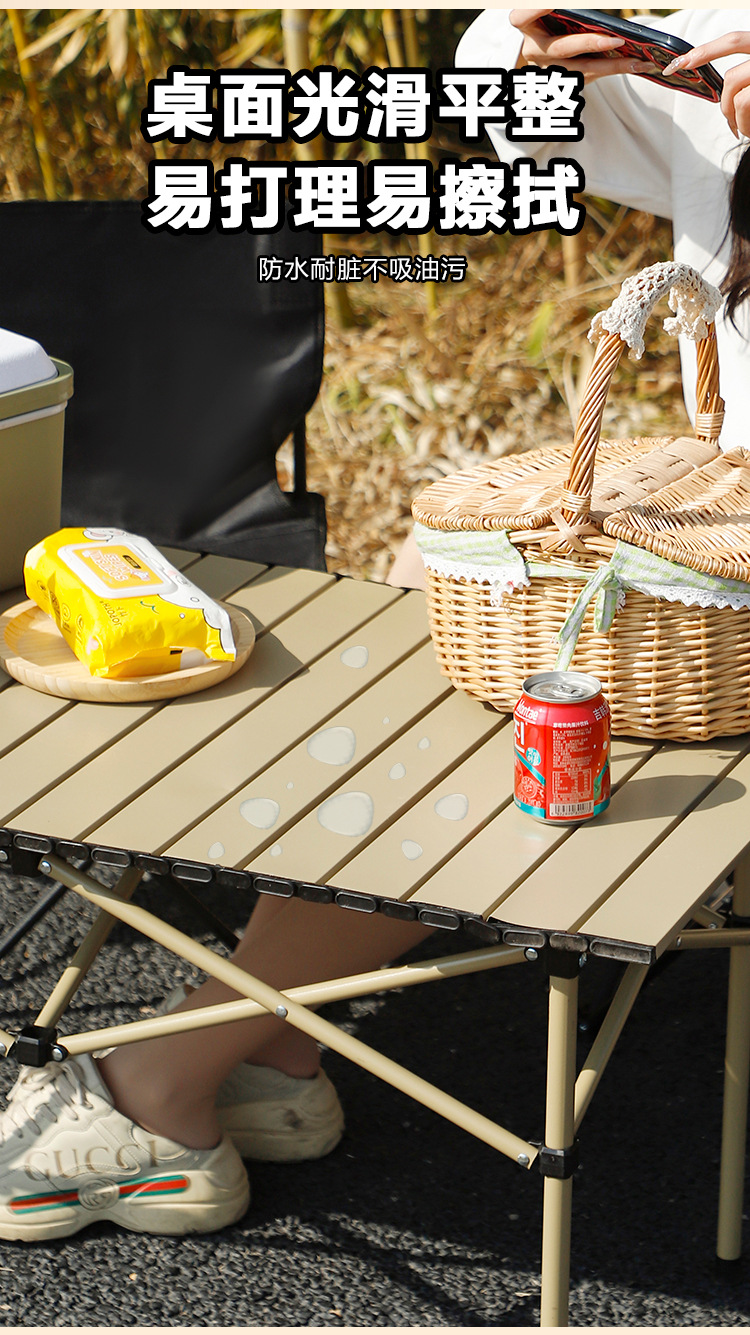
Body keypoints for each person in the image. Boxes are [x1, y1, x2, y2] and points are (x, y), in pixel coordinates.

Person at [3, 11, 750, 1244]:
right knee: (436, 581)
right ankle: (271, 1044)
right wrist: (526, 56)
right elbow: (515, 119)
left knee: (514, 705)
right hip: (719, 497)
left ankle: (166, 1087)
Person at [389, 7, 750, 591]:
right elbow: (536, 107)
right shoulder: (720, 38)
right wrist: (537, 54)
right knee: (430, 557)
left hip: (727, 526)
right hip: (723, 482)